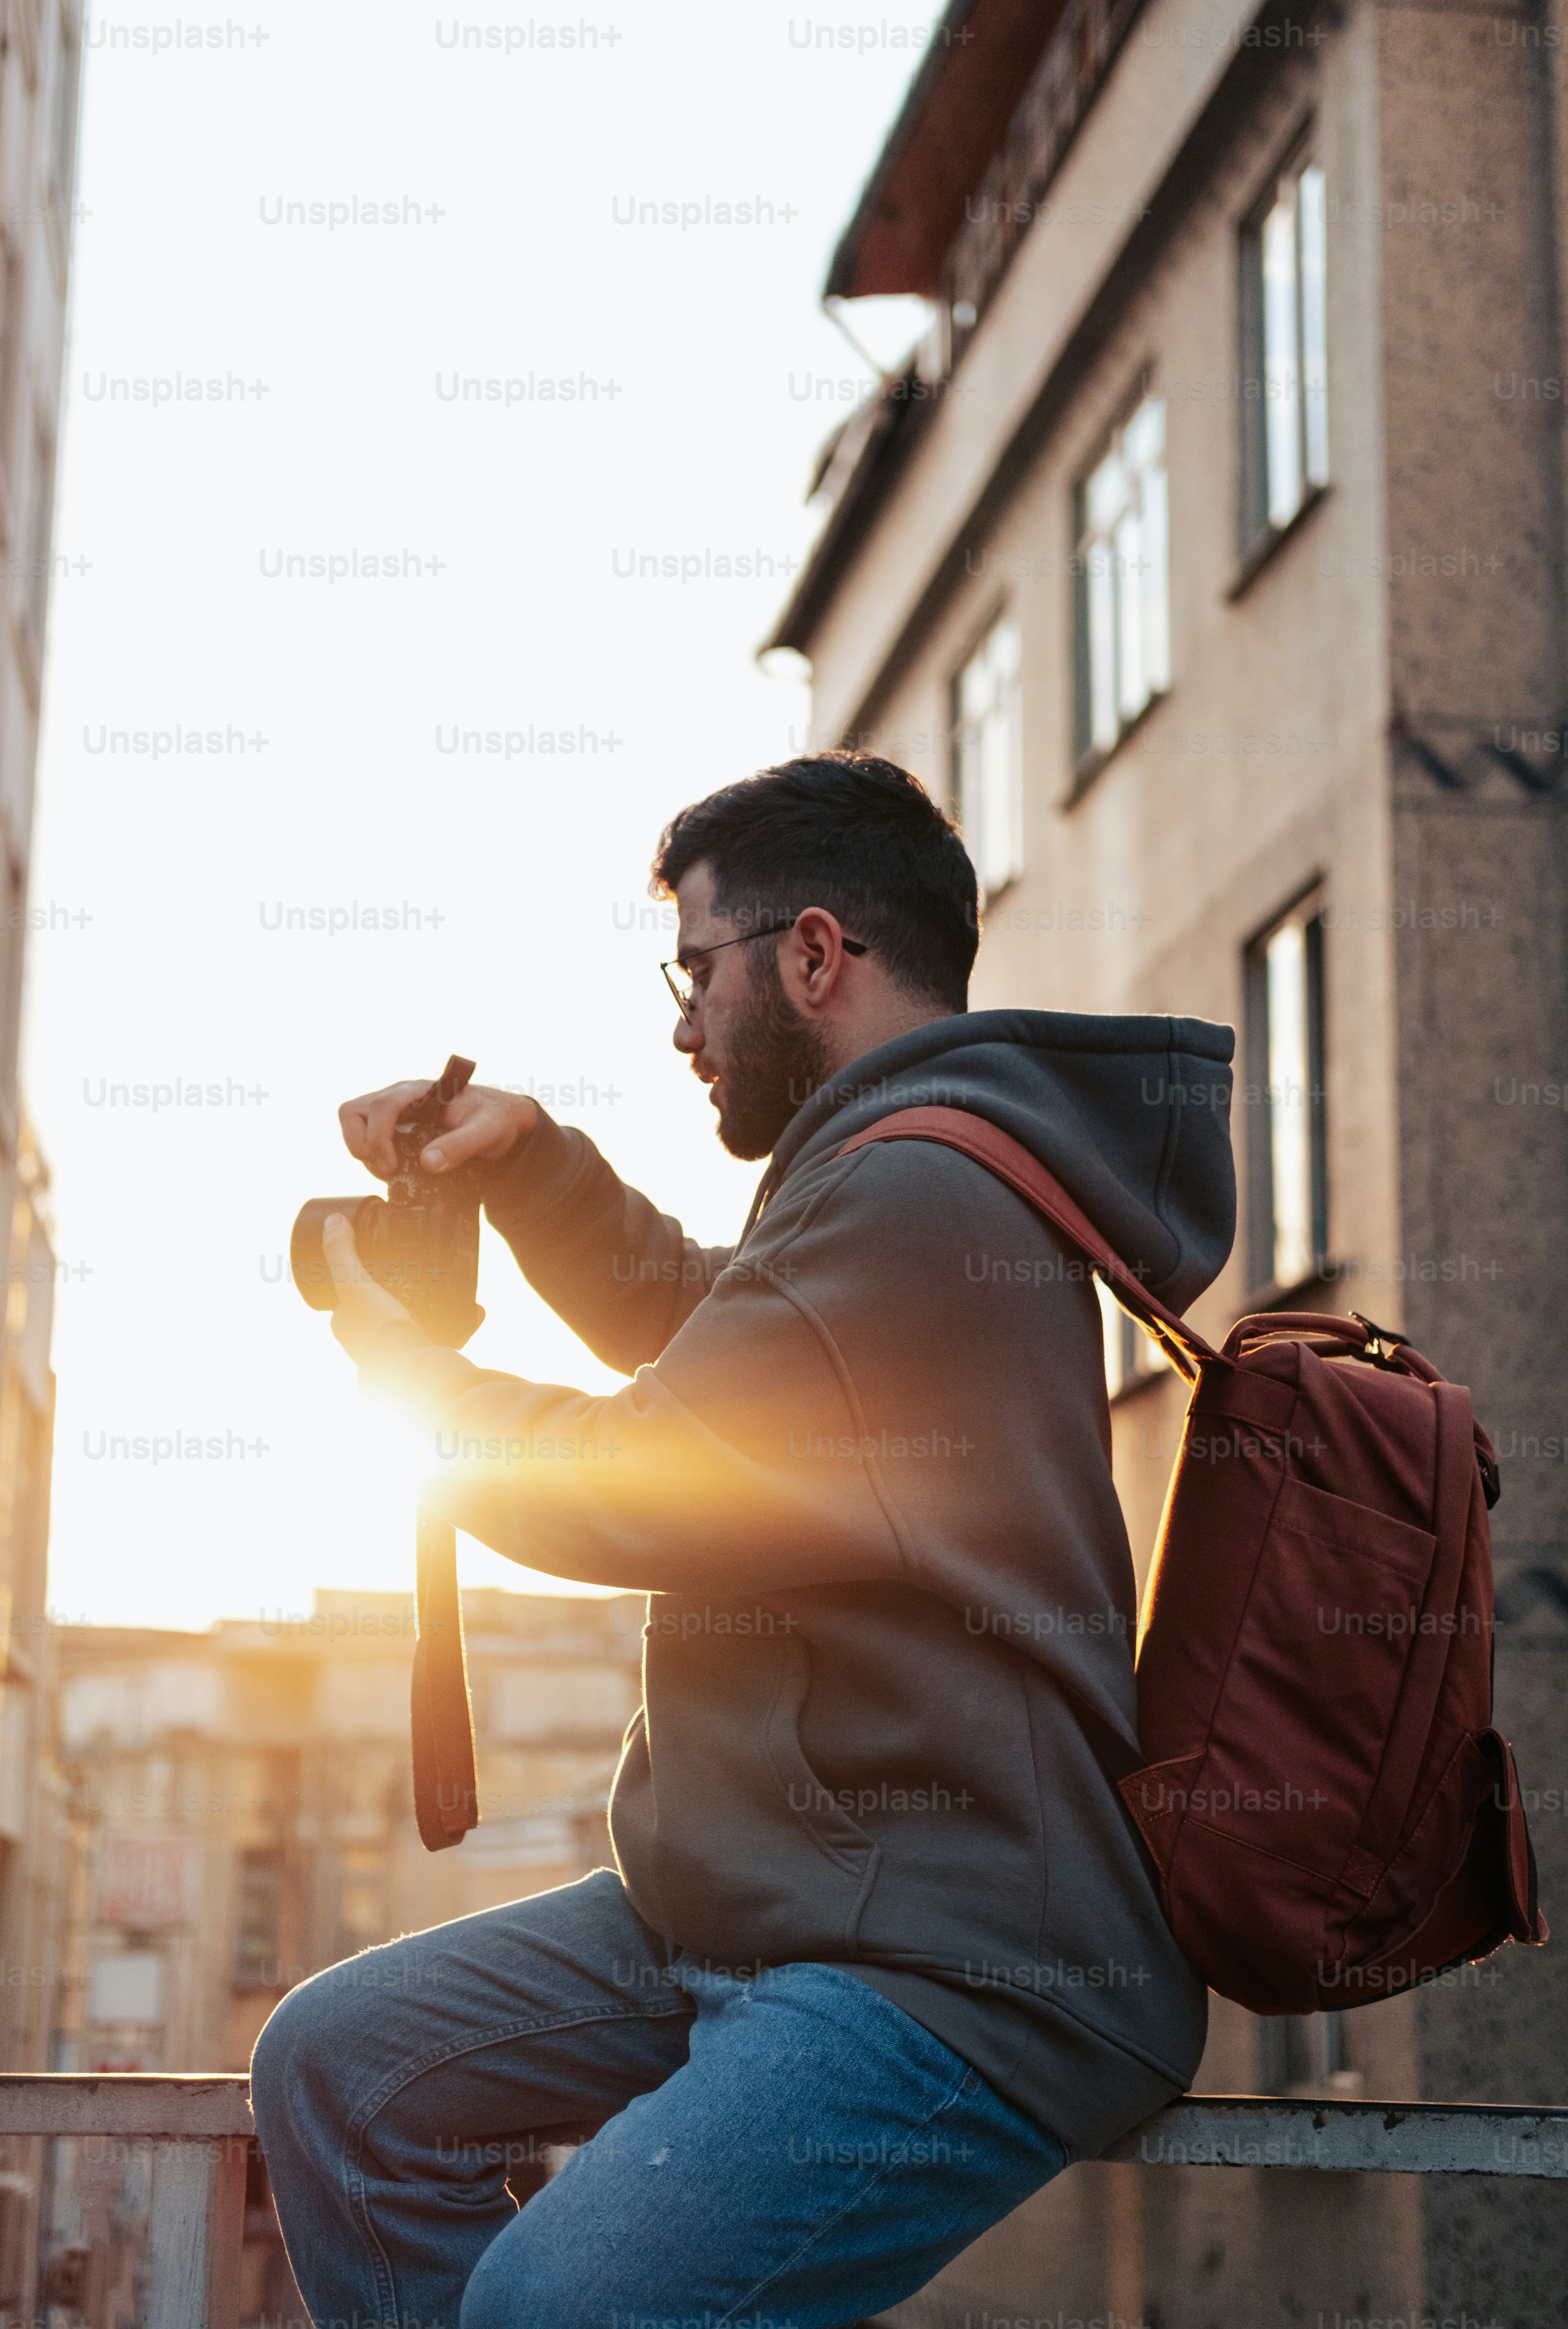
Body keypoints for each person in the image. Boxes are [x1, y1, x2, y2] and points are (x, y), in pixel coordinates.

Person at [251, 751, 1235, 2329]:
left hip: (959, 1965)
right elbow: (719, 1329)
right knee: (342, 2067)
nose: (681, 1021)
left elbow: (643, 1476)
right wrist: (528, 1164)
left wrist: (403, 1369)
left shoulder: (917, 1193)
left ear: (814, 954)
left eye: (693, 969)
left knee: (551, 2308)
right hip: (779, 1897)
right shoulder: (893, 1170)